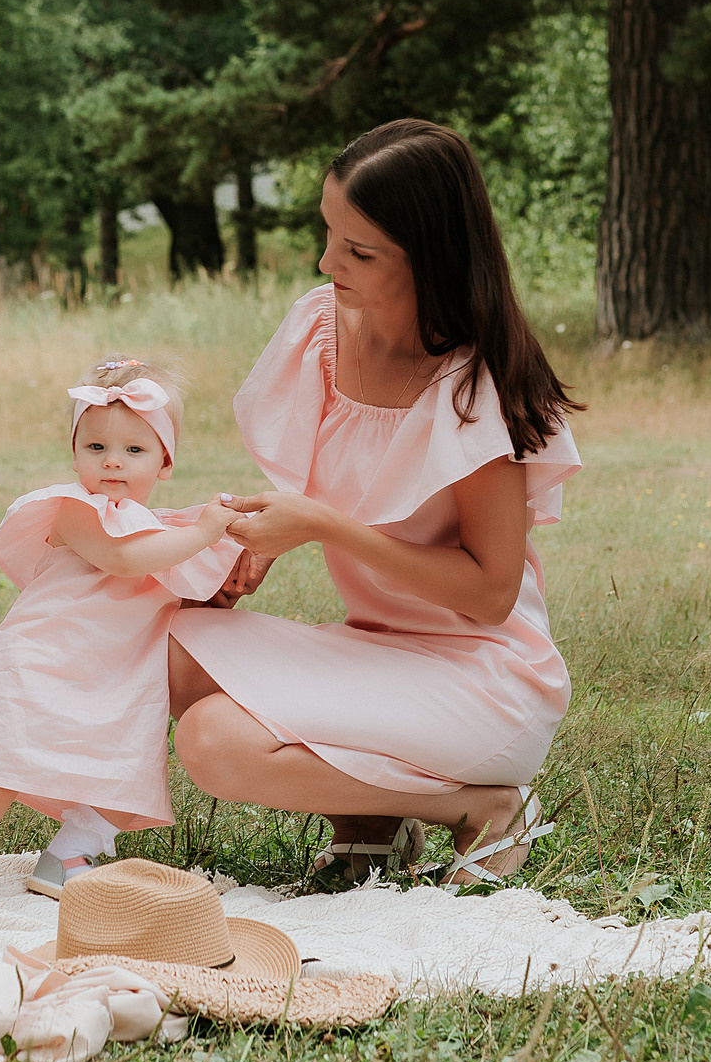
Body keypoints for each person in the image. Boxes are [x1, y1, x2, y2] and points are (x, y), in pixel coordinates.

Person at [169, 119, 582, 888]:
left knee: (214, 742)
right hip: (379, 651)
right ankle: (368, 822)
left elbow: (492, 595)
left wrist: (325, 527)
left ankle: (479, 807)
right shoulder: (323, 331)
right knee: (173, 647)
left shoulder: (472, 385)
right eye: (329, 232)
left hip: (482, 677)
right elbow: (305, 485)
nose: (329, 262)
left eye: (360, 252)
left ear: (431, 259)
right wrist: (253, 543)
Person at [0, 359, 244, 907]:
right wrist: (205, 532)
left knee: (123, 775)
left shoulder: (164, 528)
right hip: (43, 659)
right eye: (96, 448)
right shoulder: (73, 510)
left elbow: (178, 573)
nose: (113, 462)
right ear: (75, 453)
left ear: (165, 463)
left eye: (134, 450)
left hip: (115, 672)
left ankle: (67, 856)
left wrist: (223, 546)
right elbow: (124, 559)